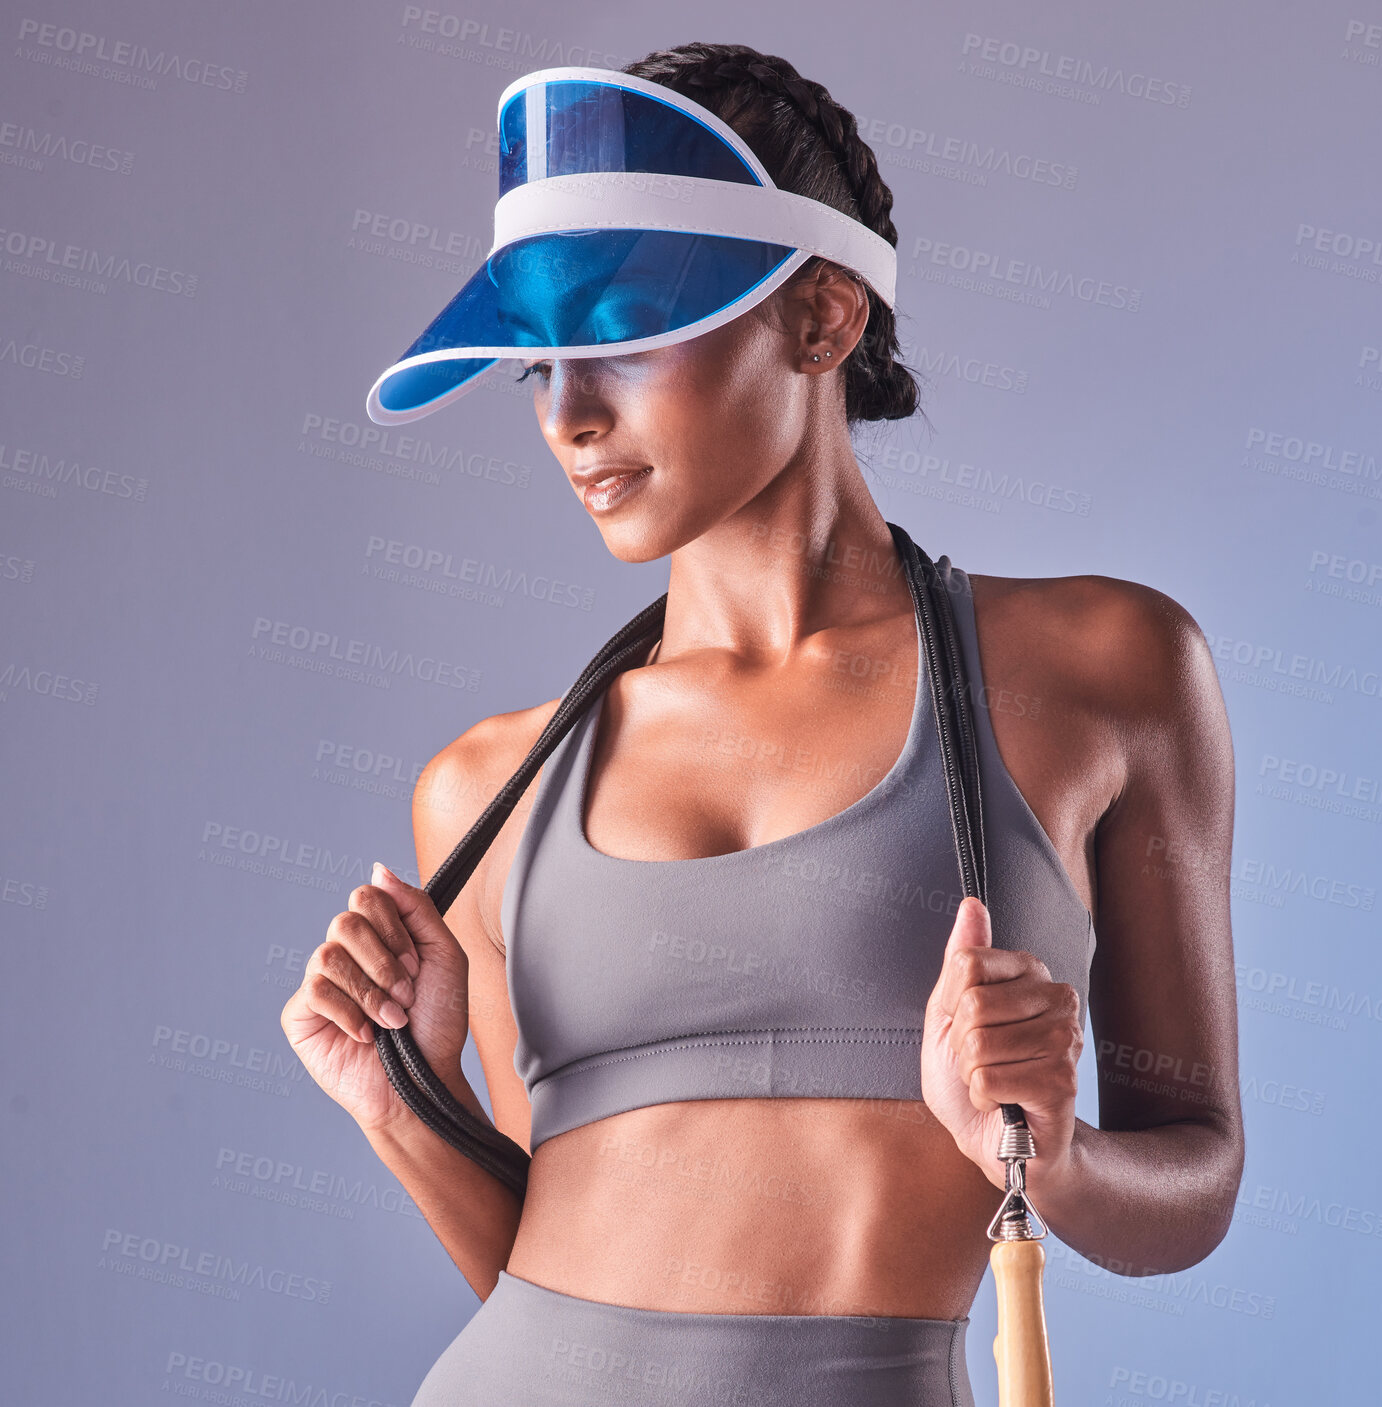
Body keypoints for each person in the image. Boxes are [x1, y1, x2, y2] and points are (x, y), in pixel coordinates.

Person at [281, 41, 1242, 1407]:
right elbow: (535, 1268)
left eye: (620, 338)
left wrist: (1054, 1153)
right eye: (534, 370)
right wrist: (402, 1102)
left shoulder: (1101, 671)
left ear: (823, 319)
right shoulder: (489, 789)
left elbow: (1196, 1178)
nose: (571, 418)